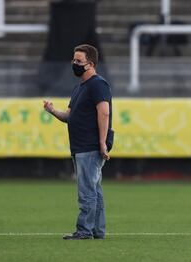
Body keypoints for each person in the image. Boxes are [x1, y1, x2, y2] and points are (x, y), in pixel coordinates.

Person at [43, 44, 113, 240]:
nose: (74, 64)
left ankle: (85, 230)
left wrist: (102, 142)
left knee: (87, 191)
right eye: (74, 60)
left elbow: (104, 112)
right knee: (94, 189)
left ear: (90, 64)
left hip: (89, 145)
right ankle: (97, 230)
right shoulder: (80, 88)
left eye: (79, 61)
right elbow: (69, 116)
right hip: (82, 145)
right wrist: (52, 110)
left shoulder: (98, 84)